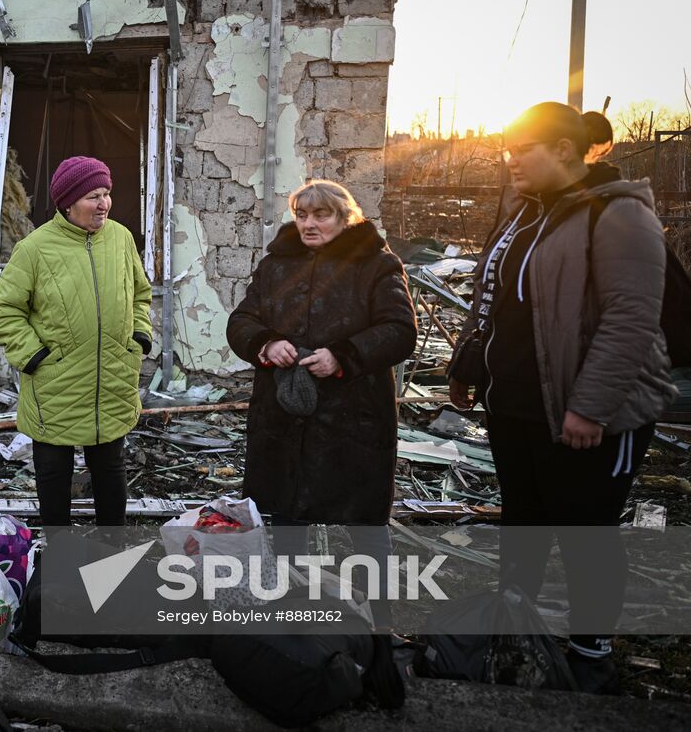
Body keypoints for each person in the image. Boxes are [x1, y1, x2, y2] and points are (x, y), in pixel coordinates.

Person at [449, 101, 677, 692]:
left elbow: (631, 319)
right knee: (523, 524)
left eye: (523, 149)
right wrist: (467, 366)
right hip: (516, 407)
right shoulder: (524, 213)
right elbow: (493, 299)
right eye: (508, 149)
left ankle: (590, 655)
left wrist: (590, 407)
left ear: (565, 150)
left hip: (588, 414)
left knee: (586, 533)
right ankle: (513, 632)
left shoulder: (619, 214)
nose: (512, 160)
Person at [226, 179, 417, 629]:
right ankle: (296, 621)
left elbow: (399, 330)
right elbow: (242, 320)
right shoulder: (276, 265)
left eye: (321, 215)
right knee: (286, 520)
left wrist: (343, 357)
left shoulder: (376, 265)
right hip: (284, 421)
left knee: (365, 526)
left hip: (352, 422)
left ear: (345, 218)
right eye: (302, 215)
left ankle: (379, 624)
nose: (309, 224)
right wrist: (266, 343)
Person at [0, 156, 152, 526]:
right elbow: (4, 312)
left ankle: (112, 548)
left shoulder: (121, 239)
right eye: (94, 196)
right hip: (55, 383)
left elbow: (140, 294)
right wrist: (35, 356)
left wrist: (138, 335)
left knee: (111, 468)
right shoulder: (34, 249)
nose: (104, 204)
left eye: (106, 193)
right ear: (68, 203)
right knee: (53, 473)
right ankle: (59, 552)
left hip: (113, 379)